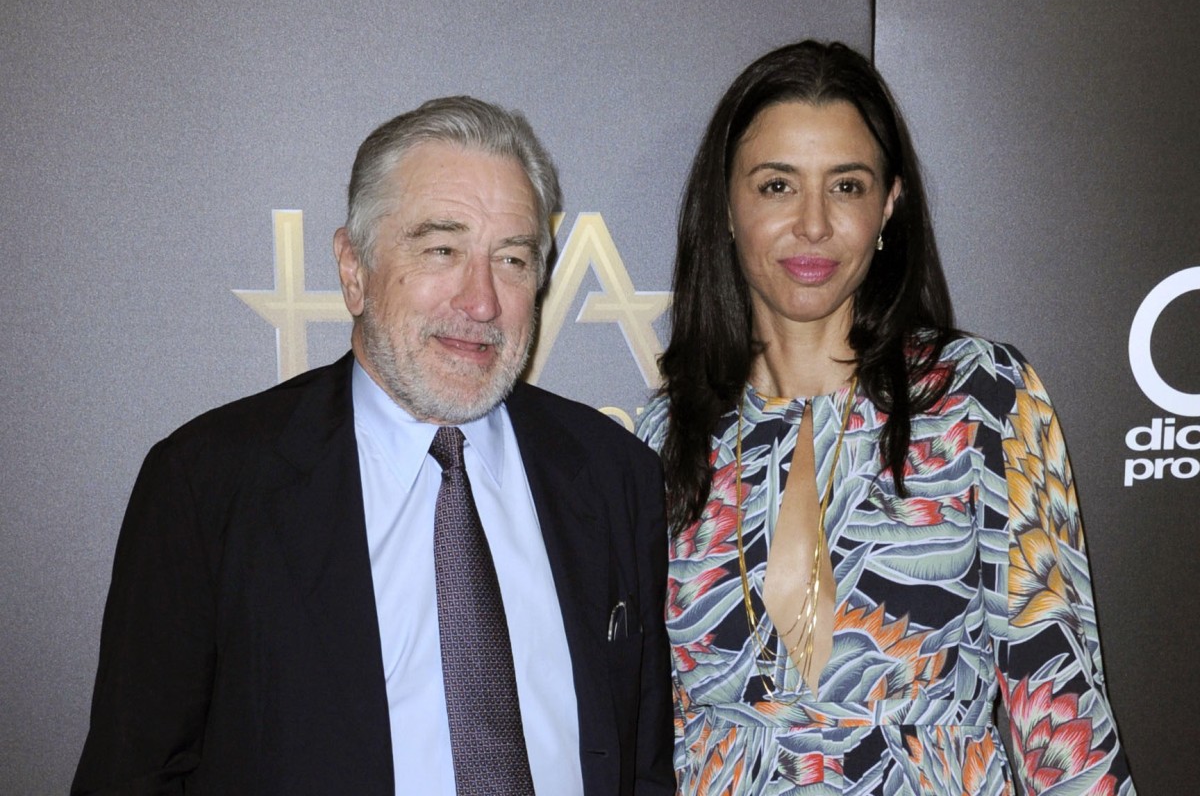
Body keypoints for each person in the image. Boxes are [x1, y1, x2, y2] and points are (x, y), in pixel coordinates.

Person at [73, 96, 675, 795]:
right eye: (442, 250)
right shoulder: (207, 484)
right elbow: (134, 773)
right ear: (353, 269)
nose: (481, 301)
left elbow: (641, 767)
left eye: (511, 259)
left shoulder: (613, 472)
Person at [637, 41, 1135, 795]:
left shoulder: (979, 398)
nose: (812, 224)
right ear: (727, 207)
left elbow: (1057, 704)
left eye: (846, 185)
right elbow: (653, 723)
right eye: (776, 185)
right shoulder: (667, 434)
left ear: (888, 205)